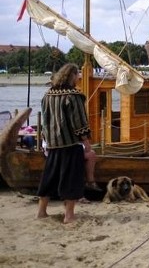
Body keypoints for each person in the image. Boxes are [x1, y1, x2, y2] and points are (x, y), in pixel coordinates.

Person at [36, 63, 93, 224]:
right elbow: (79, 122)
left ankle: (41, 211)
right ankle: (69, 215)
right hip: (70, 144)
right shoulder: (74, 96)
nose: (79, 78)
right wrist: (86, 142)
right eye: (77, 75)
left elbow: (45, 122)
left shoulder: (48, 95)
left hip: (53, 144)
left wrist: (46, 139)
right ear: (72, 75)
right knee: (71, 179)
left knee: (49, 177)